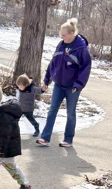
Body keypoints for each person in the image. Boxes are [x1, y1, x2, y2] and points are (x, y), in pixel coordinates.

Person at [36, 18, 92, 148]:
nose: (62, 37)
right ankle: (45, 138)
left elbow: (86, 68)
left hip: (73, 87)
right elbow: (53, 63)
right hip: (59, 85)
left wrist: (78, 84)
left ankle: (68, 139)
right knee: (52, 110)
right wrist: (46, 80)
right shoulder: (61, 45)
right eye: (61, 35)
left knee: (70, 113)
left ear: (72, 34)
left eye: (64, 35)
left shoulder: (81, 48)